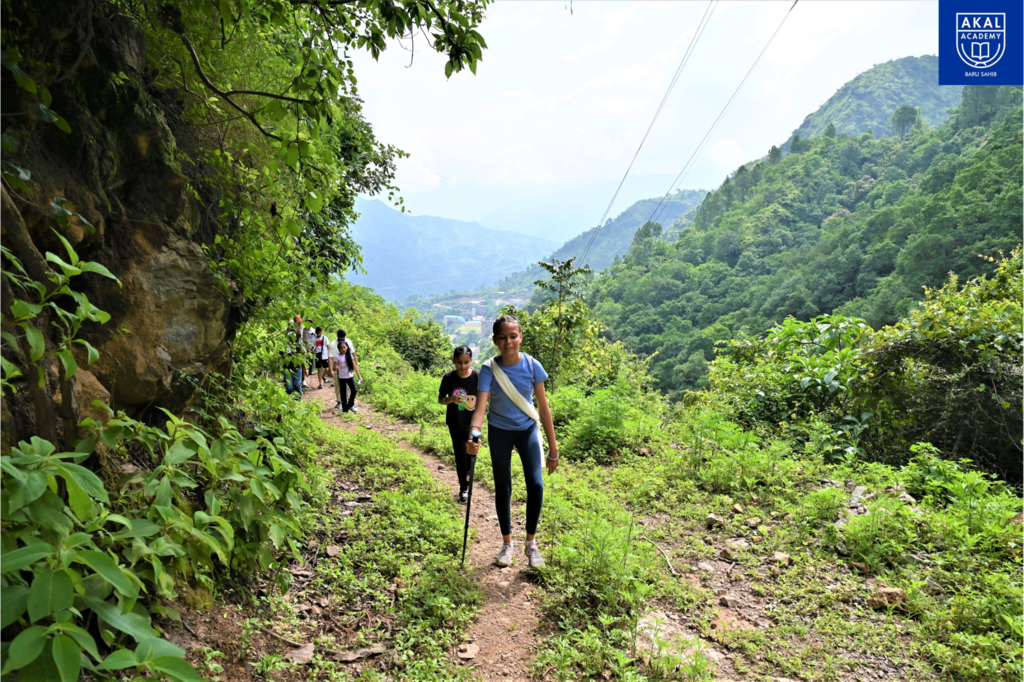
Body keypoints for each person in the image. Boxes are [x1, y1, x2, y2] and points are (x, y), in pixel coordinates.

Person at [466, 314, 559, 569]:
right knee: (503, 487)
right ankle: (507, 544)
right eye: (503, 338)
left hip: (527, 430)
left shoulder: (532, 366)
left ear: (520, 337)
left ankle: (531, 544)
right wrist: (474, 432)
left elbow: (543, 408)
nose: (509, 342)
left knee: (536, 484)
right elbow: (480, 407)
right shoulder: (488, 369)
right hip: (499, 431)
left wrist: (553, 448)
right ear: (495, 340)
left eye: (513, 336)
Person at [437, 345, 479, 503]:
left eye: (466, 362)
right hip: (455, 423)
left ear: (471, 361)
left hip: (473, 424)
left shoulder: (477, 376)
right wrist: (451, 400)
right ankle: (463, 489)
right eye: (459, 362)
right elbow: (440, 399)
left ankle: (468, 482)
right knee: (460, 455)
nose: (463, 366)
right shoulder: (449, 377)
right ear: (453, 361)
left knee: (471, 455)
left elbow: (484, 398)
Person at [329, 329, 362, 412]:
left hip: (349, 375)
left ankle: (350, 405)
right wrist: (333, 369)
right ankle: (344, 409)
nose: (343, 349)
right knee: (342, 392)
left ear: (347, 347)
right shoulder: (335, 352)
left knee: (354, 390)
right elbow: (332, 362)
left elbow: (354, 364)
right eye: (341, 348)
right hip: (341, 376)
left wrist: (359, 375)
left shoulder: (349, 354)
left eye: (344, 347)